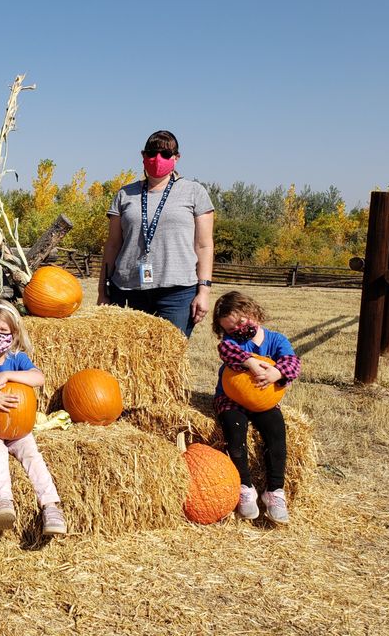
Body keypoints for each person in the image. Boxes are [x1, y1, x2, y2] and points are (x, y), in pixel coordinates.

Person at [0, 301, 66, 536]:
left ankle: (50, 506)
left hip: (17, 427)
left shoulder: (17, 359)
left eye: (3, 332)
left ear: (14, 334)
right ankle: (3, 502)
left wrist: (7, 375)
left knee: (30, 451)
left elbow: (39, 378)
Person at [97, 130, 214, 337]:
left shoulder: (195, 192)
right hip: (128, 290)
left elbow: (204, 245)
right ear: (143, 156)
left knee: (170, 360)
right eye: (152, 153)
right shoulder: (125, 194)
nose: (158, 159)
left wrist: (204, 290)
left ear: (176, 158)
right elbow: (113, 244)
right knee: (130, 357)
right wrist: (102, 291)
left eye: (166, 154)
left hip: (177, 292)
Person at [212, 291, 302, 524]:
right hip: (231, 400)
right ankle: (245, 486)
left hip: (264, 400)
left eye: (242, 322)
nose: (239, 330)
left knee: (276, 434)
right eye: (232, 329)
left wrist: (277, 372)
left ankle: (274, 490)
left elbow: (293, 362)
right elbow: (226, 350)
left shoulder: (276, 340)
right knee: (234, 431)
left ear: (253, 311)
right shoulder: (232, 343)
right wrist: (249, 361)